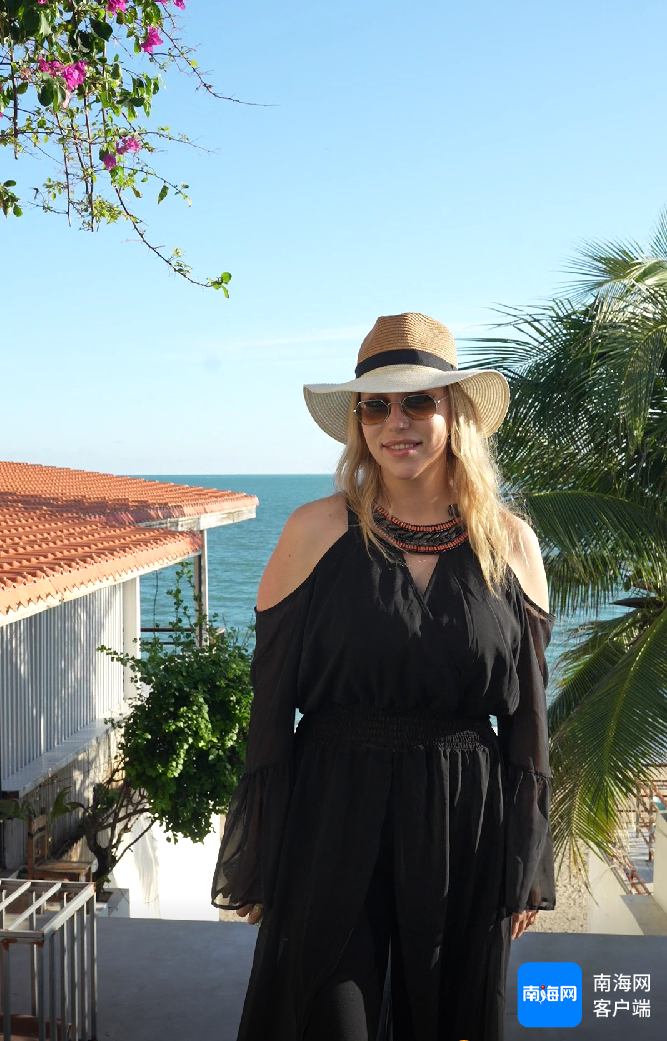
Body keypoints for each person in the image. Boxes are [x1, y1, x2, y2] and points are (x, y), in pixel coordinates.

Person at [212, 312, 556, 1041]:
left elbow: (529, 716)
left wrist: (525, 861)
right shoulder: (314, 531)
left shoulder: (511, 542)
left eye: (417, 401)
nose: (395, 422)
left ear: (454, 413)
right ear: (358, 423)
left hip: (464, 819)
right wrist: (261, 852)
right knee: (332, 1017)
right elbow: (271, 701)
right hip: (333, 809)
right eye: (375, 406)